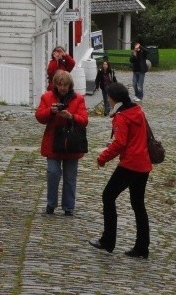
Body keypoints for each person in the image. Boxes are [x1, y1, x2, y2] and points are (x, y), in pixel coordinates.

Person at [89, 82, 152, 258]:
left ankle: (108, 240)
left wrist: (102, 158)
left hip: (130, 164)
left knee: (108, 196)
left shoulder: (121, 116)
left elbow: (120, 143)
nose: (107, 99)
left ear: (113, 98)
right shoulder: (138, 111)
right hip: (143, 163)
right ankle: (142, 246)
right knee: (138, 205)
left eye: (108, 97)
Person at [34, 69, 88, 216]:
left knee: (70, 177)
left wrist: (71, 116)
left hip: (72, 143)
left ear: (70, 85)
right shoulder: (47, 97)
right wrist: (51, 112)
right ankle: (51, 203)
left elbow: (84, 120)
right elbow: (39, 116)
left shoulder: (78, 99)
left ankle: (68, 207)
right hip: (53, 142)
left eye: (65, 85)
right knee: (53, 173)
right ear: (55, 85)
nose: (62, 88)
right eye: (59, 85)